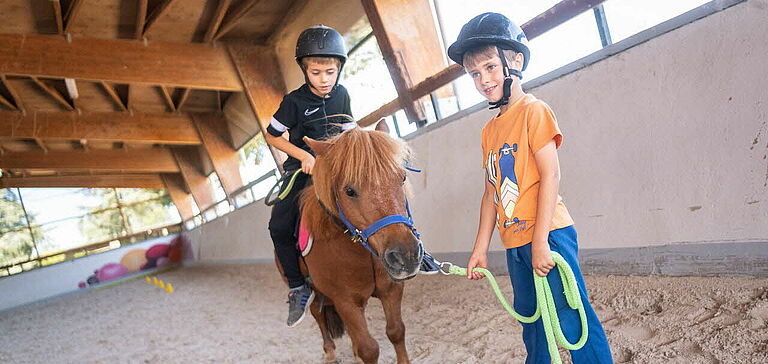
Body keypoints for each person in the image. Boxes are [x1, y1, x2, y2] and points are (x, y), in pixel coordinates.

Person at [447, 12, 614, 363]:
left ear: (515, 62)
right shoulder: (489, 131)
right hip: (514, 242)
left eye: (490, 67)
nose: (483, 79)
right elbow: (491, 192)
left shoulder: (534, 111)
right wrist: (480, 249)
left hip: (549, 233)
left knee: (571, 314)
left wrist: (540, 243)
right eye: (474, 73)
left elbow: (551, 176)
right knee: (532, 320)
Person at [265, 24, 355, 327]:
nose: (324, 79)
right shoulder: (294, 102)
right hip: (302, 170)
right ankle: (297, 287)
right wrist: (304, 156)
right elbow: (272, 135)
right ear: (305, 70)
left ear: (339, 68)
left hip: (337, 166)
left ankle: (409, 250)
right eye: (316, 72)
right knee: (278, 226)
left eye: (330, 72)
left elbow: (350, 131)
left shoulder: (342, 94)